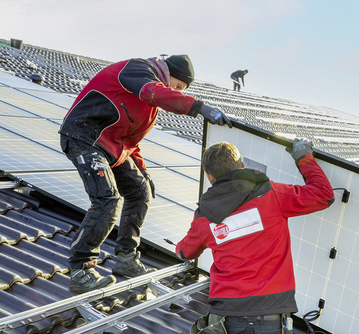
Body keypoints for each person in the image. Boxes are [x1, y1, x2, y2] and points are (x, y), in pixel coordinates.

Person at [175, 139, 334, 334]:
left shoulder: (205, 213)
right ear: (243, 166)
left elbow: (186, 252)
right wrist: (303, 157)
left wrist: (200, 239)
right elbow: (324, 196)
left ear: (210, 177)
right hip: (273, 320)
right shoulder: (272, 193)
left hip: (227, 317)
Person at [59, 55, 231, 293]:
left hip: (111, 148)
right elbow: (154, 92)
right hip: (84, 138)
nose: (176, 90)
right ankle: (81, 270)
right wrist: (199, 107)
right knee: (107, 200)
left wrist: (143, 171)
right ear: (167, 73)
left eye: (181, 90)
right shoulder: (139, 70)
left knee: (141, 191)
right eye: (178, 86)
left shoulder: (149, 109)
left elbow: (131, 142)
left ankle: (126, 259)